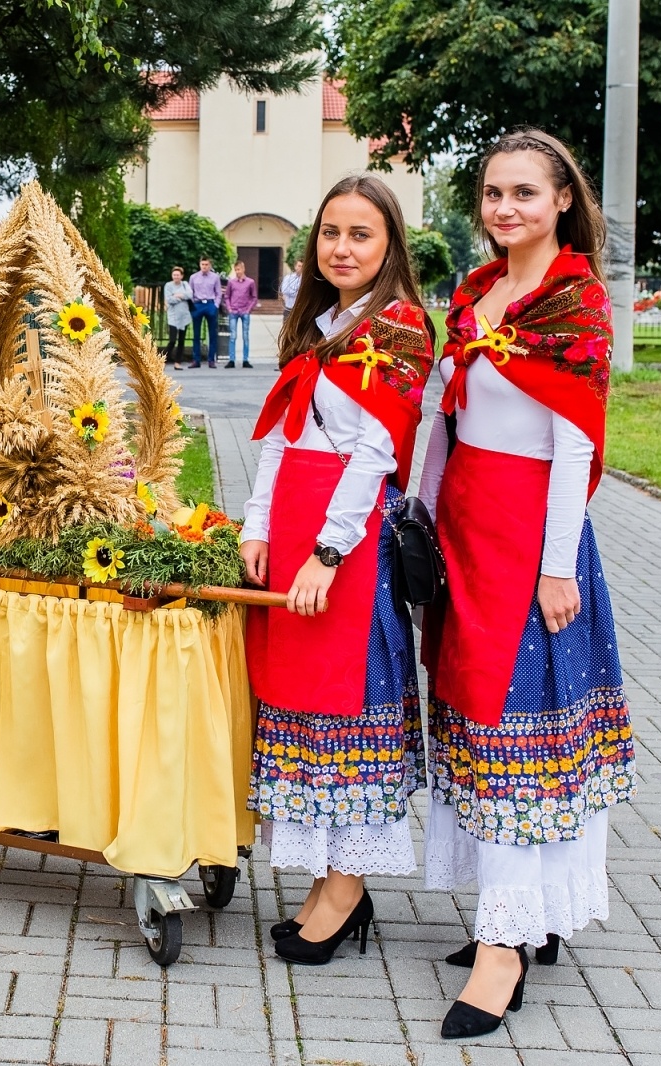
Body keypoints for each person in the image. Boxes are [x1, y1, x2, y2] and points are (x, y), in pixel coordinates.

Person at [417, 128, 634, 1038]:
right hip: (464, 534)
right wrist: (415, 521)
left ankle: (506, 949)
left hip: (529, 541)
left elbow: (575, 442)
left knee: (516, 741)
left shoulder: (574, 305)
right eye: (494, 194)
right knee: (472, 717)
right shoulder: (476, 294)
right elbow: (443, 416)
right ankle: (520, 916)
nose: (506, 208)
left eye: (525, 194)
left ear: (561, 202)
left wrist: (555, 564)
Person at [241, 175, 435, 966]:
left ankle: (348, 885)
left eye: (360, 234)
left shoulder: (401, 328)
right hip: (293, 529)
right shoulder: (318, 326)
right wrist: (258, 527)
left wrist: (328, 550)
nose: (342, 248)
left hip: (346, 546)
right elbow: (284, 437)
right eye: (330, 233)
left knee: (352, 707)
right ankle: (328, 877)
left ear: (389, 244)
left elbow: (376, 451)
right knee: (304, 712)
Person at [224, 260, 258, 368]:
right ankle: (232, 359)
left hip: (245, 311)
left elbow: (254, 297)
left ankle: (245, 359)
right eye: (236, 270)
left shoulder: (250, 282)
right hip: (234, 311)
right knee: (233, 336)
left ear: (243, 269)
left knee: (245, 336)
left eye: (239, 269)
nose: (237, 272)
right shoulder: (231, 282)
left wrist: (248, 309)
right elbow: (227, 296)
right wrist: (229, 308)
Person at [189, 257, 222, 367]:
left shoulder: (215, 277)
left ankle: (211, 360)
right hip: (197, 304)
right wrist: (193, 305)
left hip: (210, 304)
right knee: (196, 334)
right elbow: (190, 292)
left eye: (206, 264)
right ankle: (196, 360)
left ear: (210, 265)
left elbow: (218, 292)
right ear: (199, 265)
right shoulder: (193, 277)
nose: (204, 266)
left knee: (212, 333)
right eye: (202, 264)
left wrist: (215, 305)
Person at [163, 266, 193, 365]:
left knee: (181, 340)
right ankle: (162, 359)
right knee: (172, 340)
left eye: (178, 275)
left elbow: (190, 295)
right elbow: (169, 299)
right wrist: (180, 297)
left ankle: (178, 361)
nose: (176, 276)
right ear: (172, 276)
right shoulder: (168, 285)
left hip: (184, 316)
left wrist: (177, 295)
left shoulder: (185, 284)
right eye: (174, 275)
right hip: (173, 316)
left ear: (181, 276)